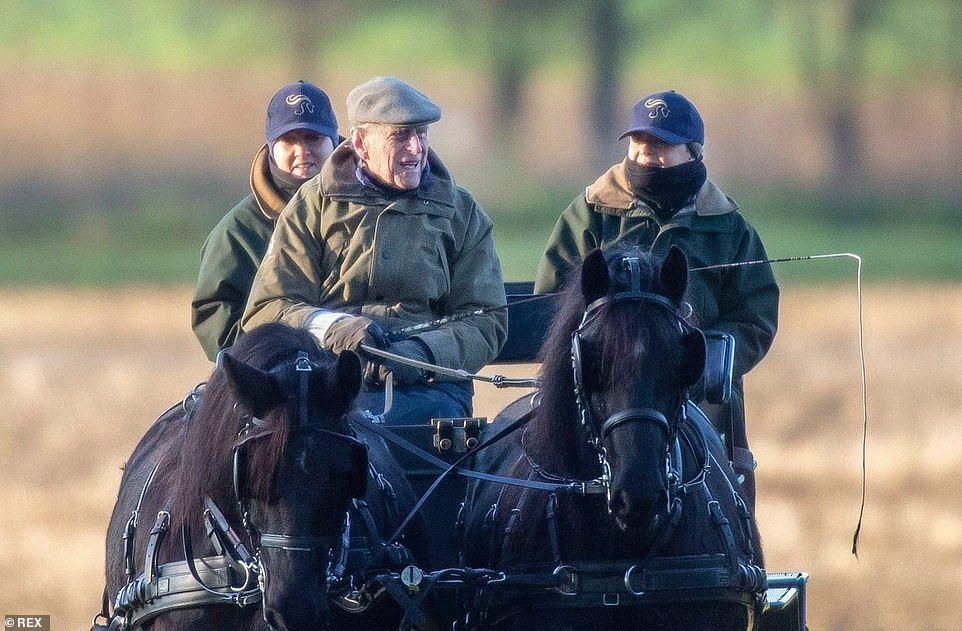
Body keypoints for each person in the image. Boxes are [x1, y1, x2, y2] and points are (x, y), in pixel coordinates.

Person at [534, 90, 779, 510]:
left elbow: (756, 317)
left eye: (661, 146)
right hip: (606, 396)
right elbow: (551, 305)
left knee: (717, 491)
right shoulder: (589, 215)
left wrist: (694, 361)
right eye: (639, 144)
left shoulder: (731, 229)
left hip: (701, 398)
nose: (647, 155)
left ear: (693, 153)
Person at [242, 77, 507, 424]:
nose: (415, 149)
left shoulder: (461, 212)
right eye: (400, 137)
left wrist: (419, 354)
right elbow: (267, 309)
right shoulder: (313, 205)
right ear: (361, 144)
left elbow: (486, 319)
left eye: (421, 134)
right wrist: (331, 326)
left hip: (430, 392)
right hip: (327, 387)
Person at [191, 81, 340, 361]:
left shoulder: (370, 209)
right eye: (289, 140)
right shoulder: (235, 232)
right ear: (271, 147)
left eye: (313, 138)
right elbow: (218, 327)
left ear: (335, 141)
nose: (302, 150)